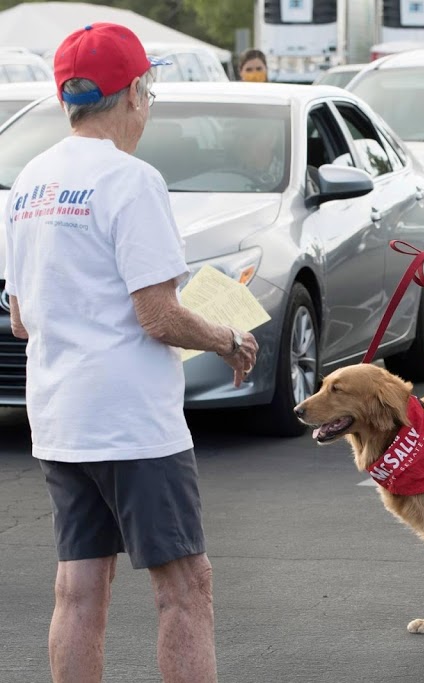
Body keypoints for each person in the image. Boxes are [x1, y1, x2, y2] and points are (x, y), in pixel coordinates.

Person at [2, 23, 259, 683]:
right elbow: (157, 314)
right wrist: (226, 336)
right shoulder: (131, 179)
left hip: (60, 418)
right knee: (185, 584)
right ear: (134, 94)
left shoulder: (29, 181)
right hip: (133, 422)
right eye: (147, 91)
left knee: (79, 587)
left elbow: (23, 321)